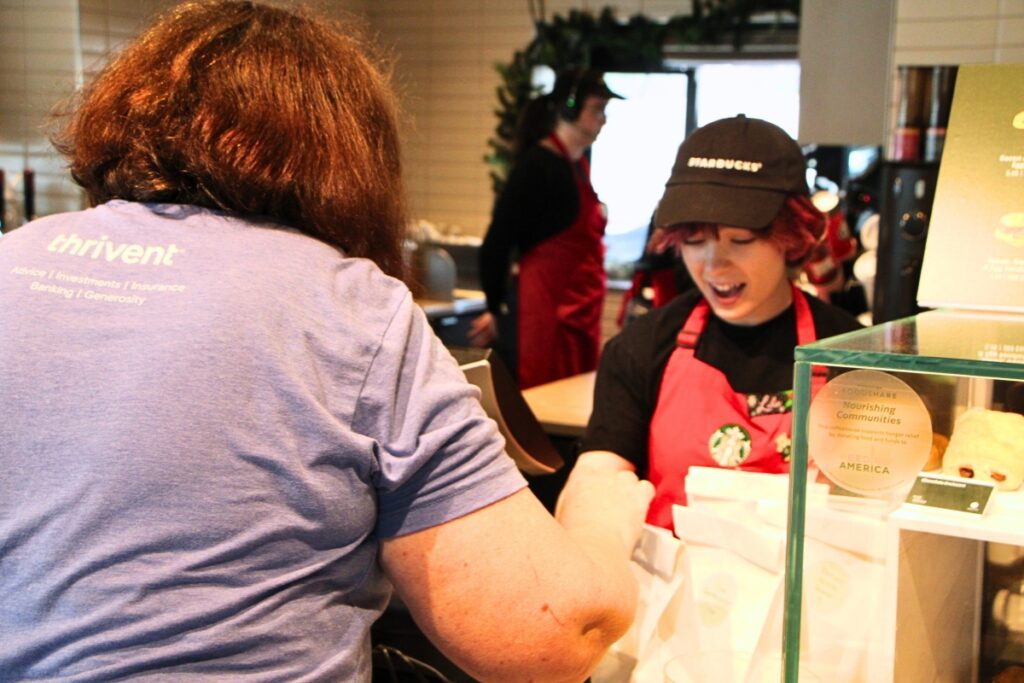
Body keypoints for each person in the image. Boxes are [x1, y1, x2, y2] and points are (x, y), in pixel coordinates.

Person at [0, 3, 655, 681]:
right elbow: (552, 634)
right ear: (343, 154)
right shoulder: (350, 309)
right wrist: (598, 514)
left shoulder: (10, 263)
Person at [579, 115, 863, 530]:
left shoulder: (849, 351)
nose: (713, 263)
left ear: (792, 236)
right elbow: (600, 475)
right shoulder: (642, 347)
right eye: (695, 240)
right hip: (674, 589)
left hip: (811, 588)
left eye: (741, 240)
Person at [469, 69, 622, 389]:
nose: (603, 120)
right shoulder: (537, 166)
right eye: (596, 109)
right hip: (543, 317)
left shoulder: (577, 165)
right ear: (567, 110)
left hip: (577, 314)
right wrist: (496, 308)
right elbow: (497, 243)